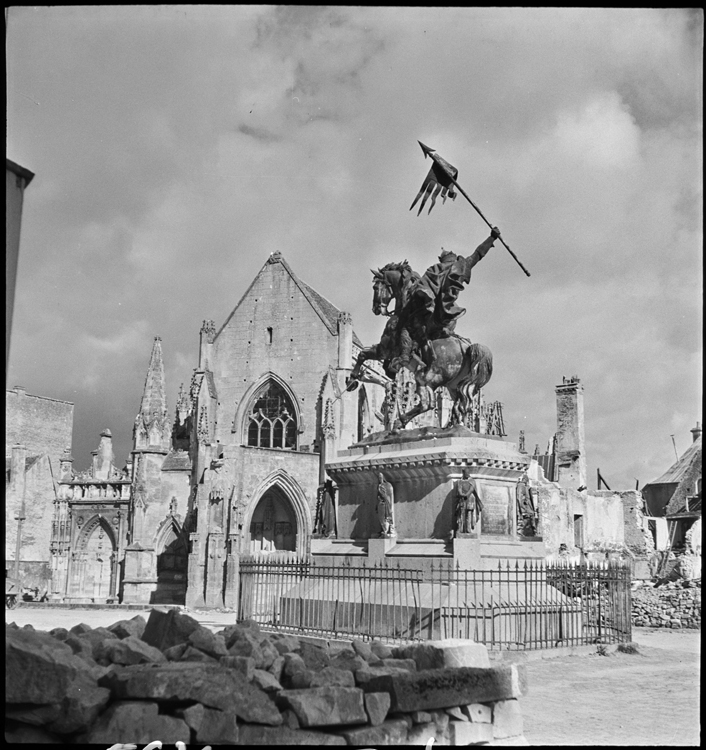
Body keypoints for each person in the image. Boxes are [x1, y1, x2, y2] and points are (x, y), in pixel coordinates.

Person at [394, 227, 501, 370]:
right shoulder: (461, 266)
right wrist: (491, 238)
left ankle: (404, 359)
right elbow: (478, 254)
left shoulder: (434, 270)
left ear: (441, 260)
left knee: (406, 328)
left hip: (430, 315)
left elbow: (420, 292)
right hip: (448, 317)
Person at [455, 469, 483, 534]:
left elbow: (471, 489)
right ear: (463, 473)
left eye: (468, 472)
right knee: (461, 513)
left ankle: (468, 528)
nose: (467, 474)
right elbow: (459, 489)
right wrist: (461, 494)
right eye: (466, 473)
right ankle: (460, 528)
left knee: (469, 514)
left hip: (470, 499)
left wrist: (466, 495)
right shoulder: (460, 481)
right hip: (462, 499)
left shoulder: (472, 481)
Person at [377, 473, 396, 537]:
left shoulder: (387, 485)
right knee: (381, 518)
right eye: (379, 477)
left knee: (387, 516)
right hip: (380, 504)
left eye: (381, 477)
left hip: (386, 503)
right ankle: (384, 530)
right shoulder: (379, 486)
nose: (380, 479)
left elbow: (388, 495)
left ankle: (387, 530)